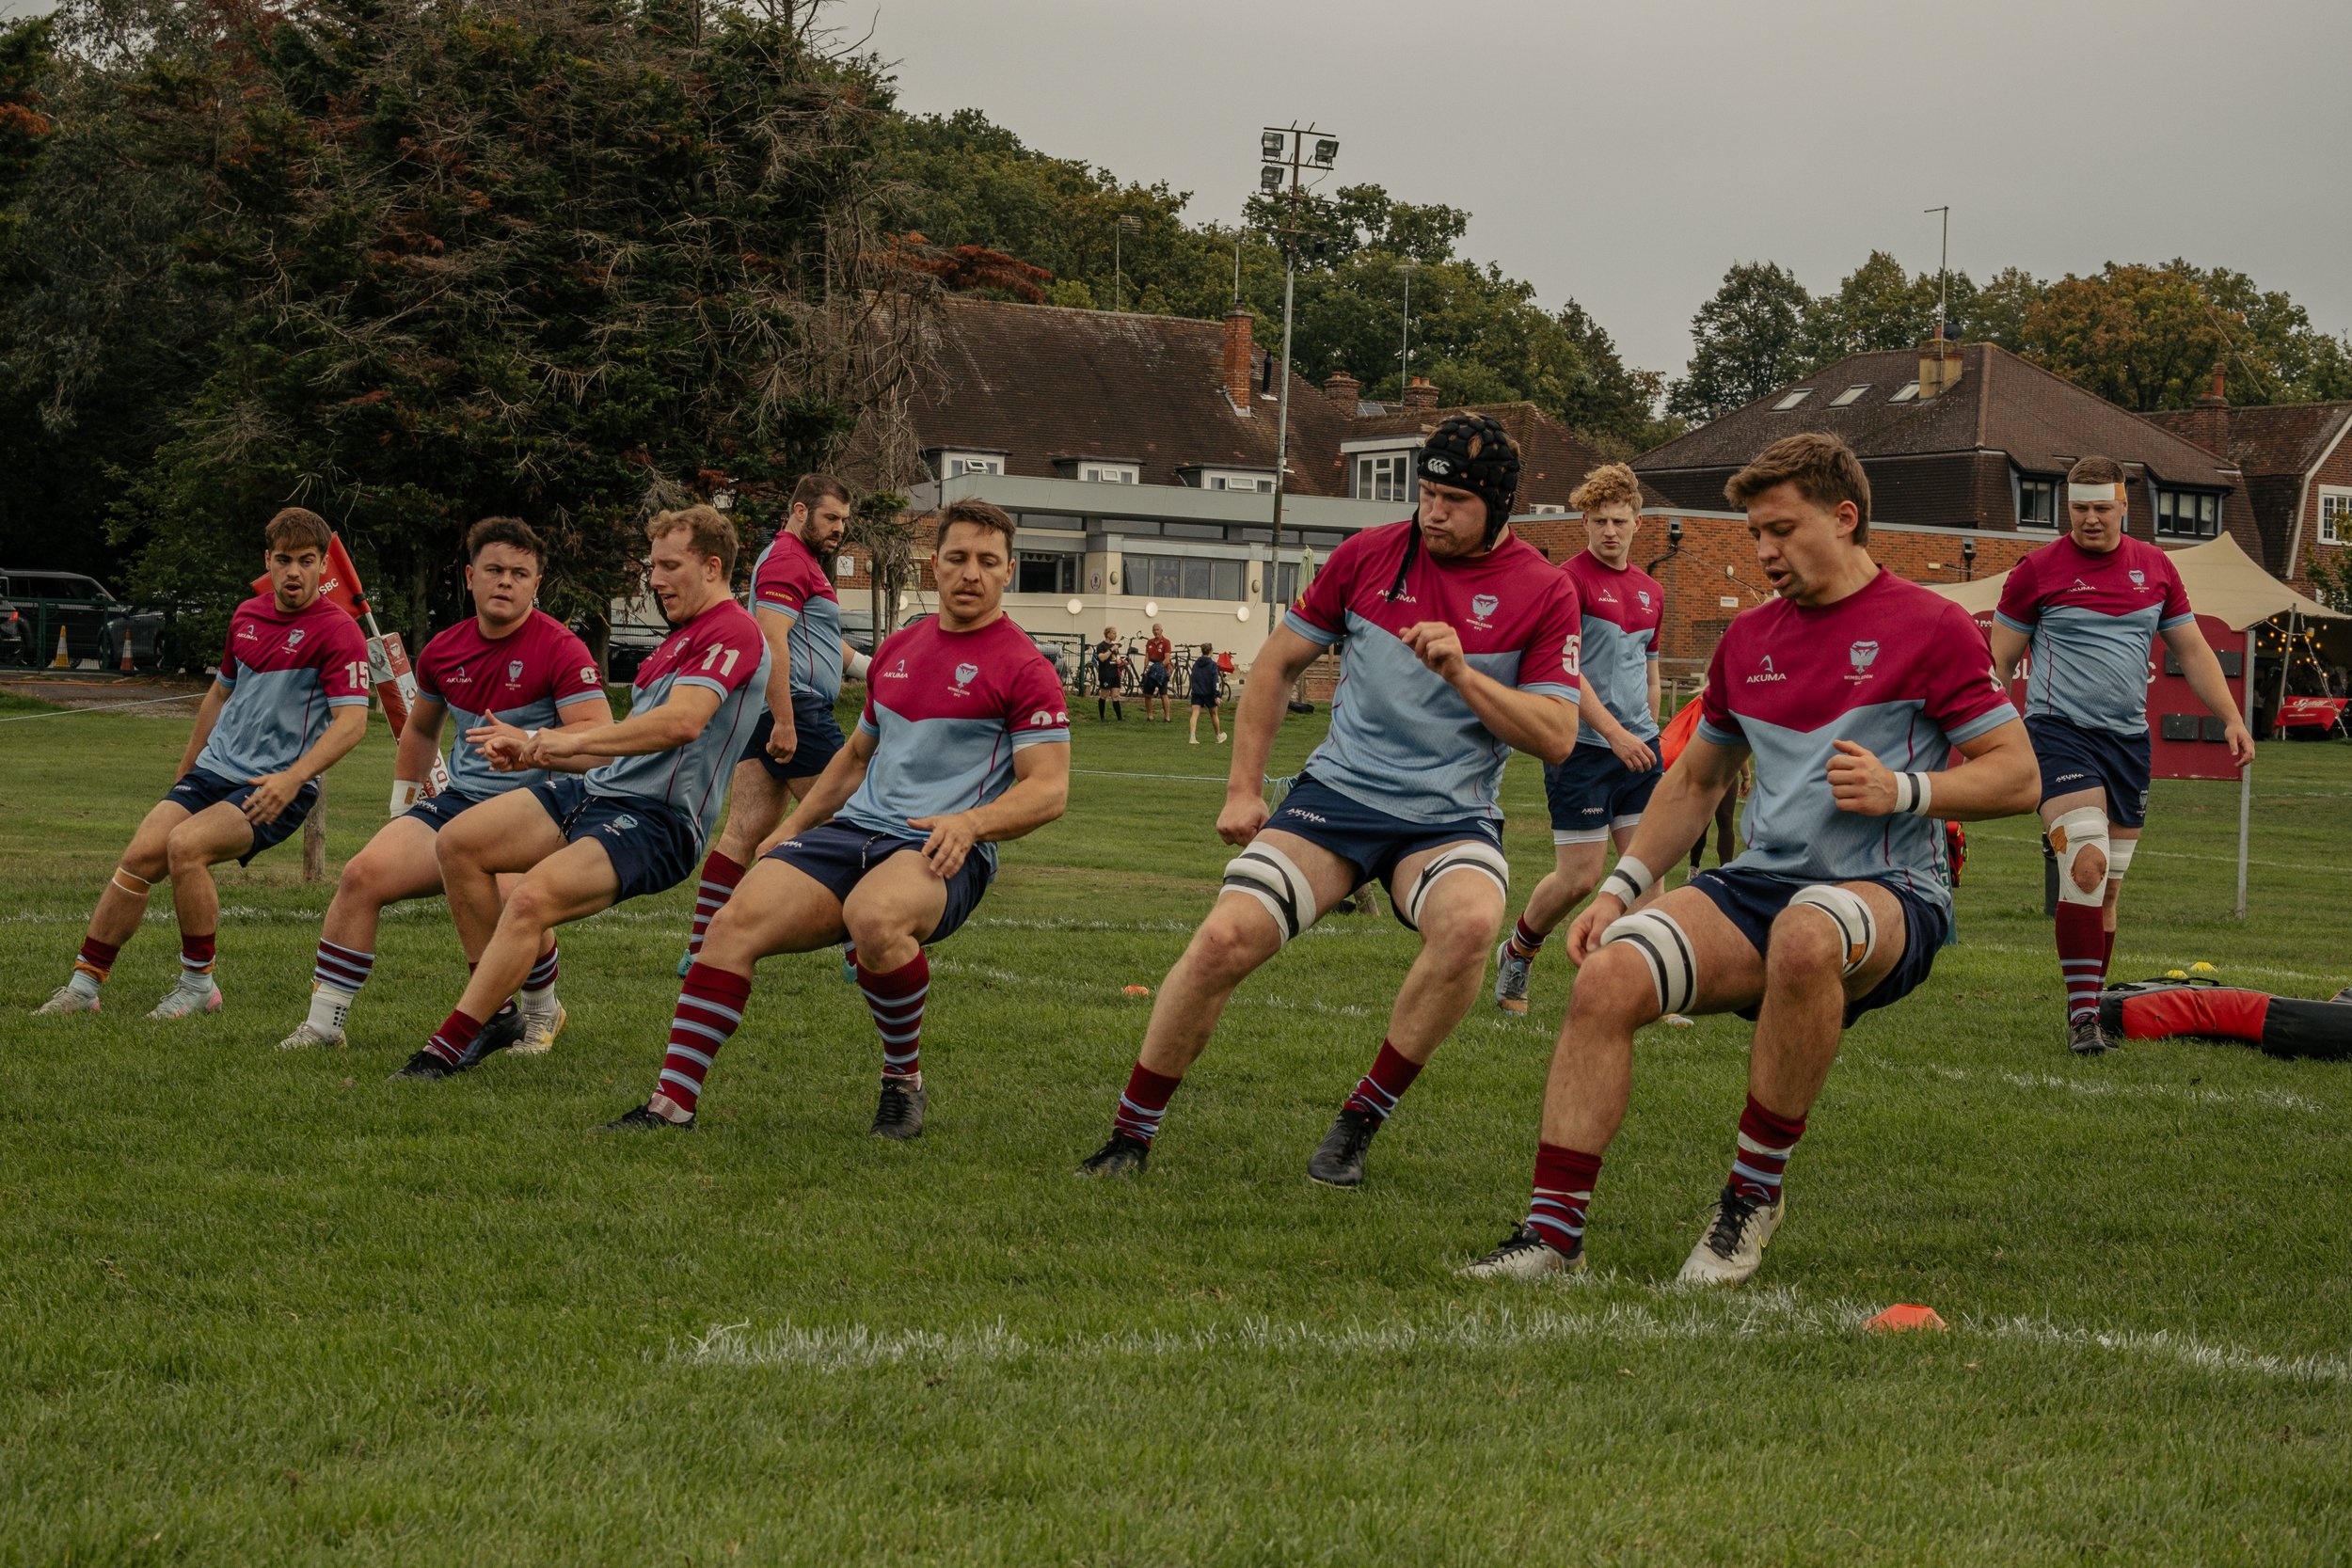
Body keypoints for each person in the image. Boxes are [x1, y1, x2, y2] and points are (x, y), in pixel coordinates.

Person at [1460, 433, 2038, 1287]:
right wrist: (1619, 891)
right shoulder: (1748, 640)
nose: (1762, 551)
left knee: (1808, 933)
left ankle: (1752, 1199)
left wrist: (1906, 790)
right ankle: (1551, 1240)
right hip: (1763, 883)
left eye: (1780, 529)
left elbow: (2018, 773)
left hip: (1890, 891)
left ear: (1845, 519)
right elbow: (1696, 778)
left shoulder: (1934, 626)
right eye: (1754, 533)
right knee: (1607, 978)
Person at [1078, 413, 1581, 1187]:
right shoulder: (1367, 554)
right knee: (1221, 941)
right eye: (1426, 491)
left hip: (1449, 818)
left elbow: (1554, 734)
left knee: (1473, 924)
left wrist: (1466, 676)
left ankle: (1357, 1122)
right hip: (1337, 797)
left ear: (1499, 509)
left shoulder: (1545, 590)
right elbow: (1276, 665)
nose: (1433, 510)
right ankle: (1129, 1135)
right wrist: (1244, 788)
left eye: (1454, 499)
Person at [605, 499, 1070, 1136]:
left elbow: (1048, 789)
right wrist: (790, 829)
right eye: (958, 558)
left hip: (939, 847)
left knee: (874, 918)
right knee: (731, 922)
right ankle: (669, 1106)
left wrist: (971, 824)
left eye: (988, 562)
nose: (971, 573)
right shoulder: (900, 648)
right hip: (853, 831)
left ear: (1008, 572)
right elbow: (855, 756)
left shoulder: (1025, 666)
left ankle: (902, 1081)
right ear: (933, 564)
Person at [389, 505, 769, 1079]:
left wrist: (545, 742)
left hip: (657, 820)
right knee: (459, 843)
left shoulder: (733, 630)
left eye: (668, 566)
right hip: (593, 792)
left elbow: (681, 724)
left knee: (529, 898)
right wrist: (531, 747)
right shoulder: (676, 641)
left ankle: (445, 1048)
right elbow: (615, 744)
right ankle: (495, 1009)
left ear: (712, 568)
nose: (655, 580)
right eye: (652, 566)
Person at [274, 518, 612, 1052]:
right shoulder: (444, 649)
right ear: (470, 576)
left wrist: (524, 739)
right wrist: (404, 805)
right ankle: (323, 1024)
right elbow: (421, 730)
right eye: (495, 570)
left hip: (541, 807)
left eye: (520, 574)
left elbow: (599, 735)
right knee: (362, 875)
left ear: (536, 585)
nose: (506, 582)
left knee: (510, 892)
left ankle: (541, 1011)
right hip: (460, 803)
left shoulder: (562, 648)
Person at [37, 509, 371, 1019]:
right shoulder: (246, 615)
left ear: (323, 565)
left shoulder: (338, 631)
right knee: (138, 859)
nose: (294, 573)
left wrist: (294, 777)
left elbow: (352, 723)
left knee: (185, 848)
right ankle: (84, 988)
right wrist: (186, 770)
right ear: (268, 560)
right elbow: (219, 693)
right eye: (283, 561)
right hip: (213, 772)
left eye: (307, 562)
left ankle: (199, 986)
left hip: (276, 786)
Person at [1986, 455, 2255, 1054]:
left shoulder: (2156, 567)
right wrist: (1987, 735)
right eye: (2078, 508)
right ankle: (2083, 1017)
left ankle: (2095, 1006)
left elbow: (2193, 650)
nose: (2088, 519)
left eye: (2100, 508)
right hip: (2057, 735)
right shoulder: (2036, 572)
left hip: (2128, 744)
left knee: (2107, 892)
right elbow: (1997, 663)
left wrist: (2233, 718)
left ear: (2124, 506)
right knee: (2085, 861)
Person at [679, 475, 871, 968]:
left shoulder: (798, 561)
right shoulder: (788, 558)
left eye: (844, 522)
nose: (839, 531)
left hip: (765, 709)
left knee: (744, 830)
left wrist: (881, 671)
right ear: (800, 511)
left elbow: (827, 644)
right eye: (831, 518)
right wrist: (785, 719)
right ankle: (861, 947)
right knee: (853, 820)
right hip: (794, 708)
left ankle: (702, 947)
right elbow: (772, 639)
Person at [1495, 462, 1665, 1016]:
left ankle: (1648, 991)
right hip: (1584, 750)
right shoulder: (1566, 582)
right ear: (1584, 525)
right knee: (1580, 878)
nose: (1609, 531)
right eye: (1598, 521)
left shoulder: (1651, 592)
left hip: (1639, 750)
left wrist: (1650, 732)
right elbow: (1566, 673)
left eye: (1619, 520)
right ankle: (1518, 950)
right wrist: (1614, 733)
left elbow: (1649, 670)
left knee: (1647, 874)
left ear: (1638, 523)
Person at [1187, 642, 1228, 745]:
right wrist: (1217, 695)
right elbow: (1215, 681)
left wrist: (1195, 688)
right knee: (1214, 714)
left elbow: (1193, 677)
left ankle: (1192, 737)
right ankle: (1218, 736)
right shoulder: (1212, 665)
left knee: (1195, 714)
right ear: (1211, 651)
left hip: (1197, 692)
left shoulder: (1196, 663)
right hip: (1209, 693)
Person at [1141, 623, 1173, 721]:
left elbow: (1167, 659)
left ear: (1161, 630)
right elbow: (1147, 656)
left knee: (1163, 694)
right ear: (1152, 631)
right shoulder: (1149, 642)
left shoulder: (1166, 642)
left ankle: (1167, 717)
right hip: (1150, 669)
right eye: (1154, 630)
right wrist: (1145, 669)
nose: (1156, 632)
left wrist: (1159, 668)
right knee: (1147, 694)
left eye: (1158, 630)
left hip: (1161, 669)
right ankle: (1150, 715)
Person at [1092, 626, 1125, 721]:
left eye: (1116, 633)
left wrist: (1120, 661)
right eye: (1114, 633)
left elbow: (1116, 658)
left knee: (1115, 695)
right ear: (1108, 634)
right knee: (1104, 695)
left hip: (1115, 673)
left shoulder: (1115, 646)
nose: (1115, 635)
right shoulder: (1101, 646)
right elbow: (1102, 658)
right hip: (1106, 674)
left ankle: (1120, 718)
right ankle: (1102, 717)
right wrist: (1111, 650)